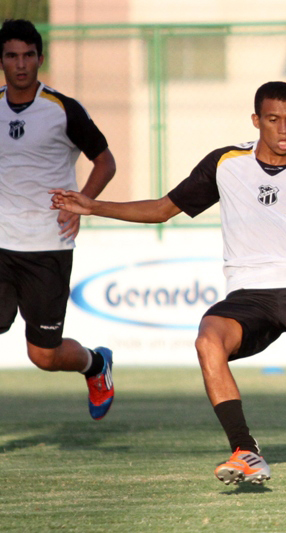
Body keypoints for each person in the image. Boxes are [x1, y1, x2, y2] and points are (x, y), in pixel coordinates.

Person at [52, 81, 286, 486]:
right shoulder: (226, 163)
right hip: (250, 295)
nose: (283, 129)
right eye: (273, 120)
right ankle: (245, 450)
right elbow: (163, 209)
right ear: (257, 120)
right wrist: (93, 206)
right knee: (207, 340)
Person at [0, 19, 116, 420]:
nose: (20, 64)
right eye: (12, 56)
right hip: (0, 243)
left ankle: (96, 366)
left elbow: (105, 161)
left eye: (28, 55)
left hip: (47, 245)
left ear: (40, 59)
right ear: (1, 61)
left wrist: (82, 202)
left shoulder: (64, 110)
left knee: (43, 356)